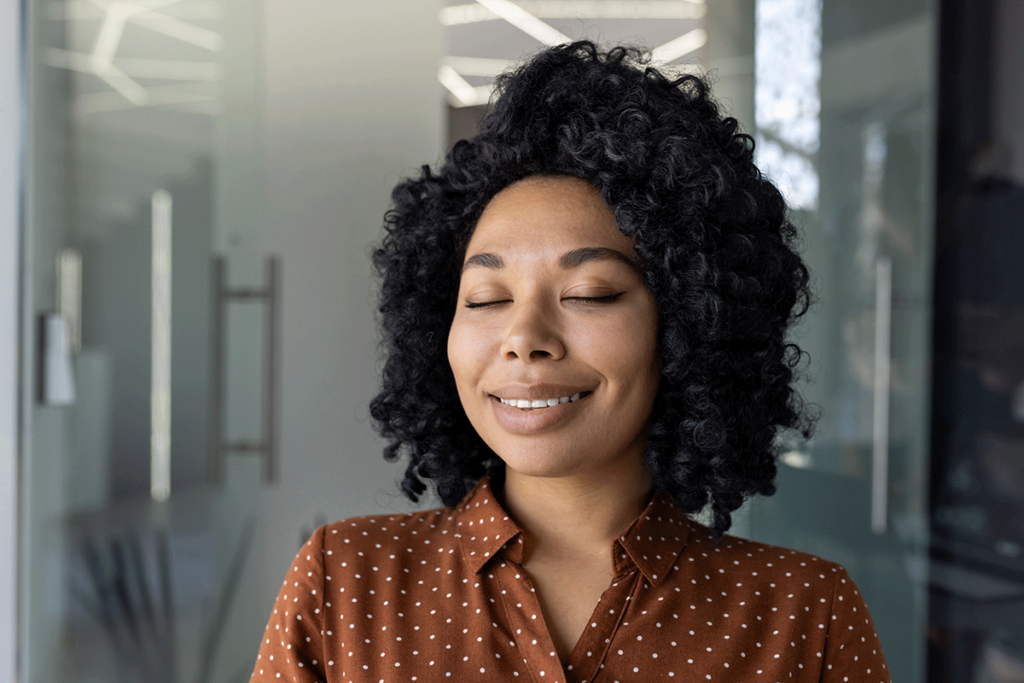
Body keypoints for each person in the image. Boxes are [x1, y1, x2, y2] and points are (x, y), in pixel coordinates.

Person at [250, 42, 891, 682]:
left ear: (692, 322)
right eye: (486, 299)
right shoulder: (344, 582)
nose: (524, 337)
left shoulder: (805, 616)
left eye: (591, 294)